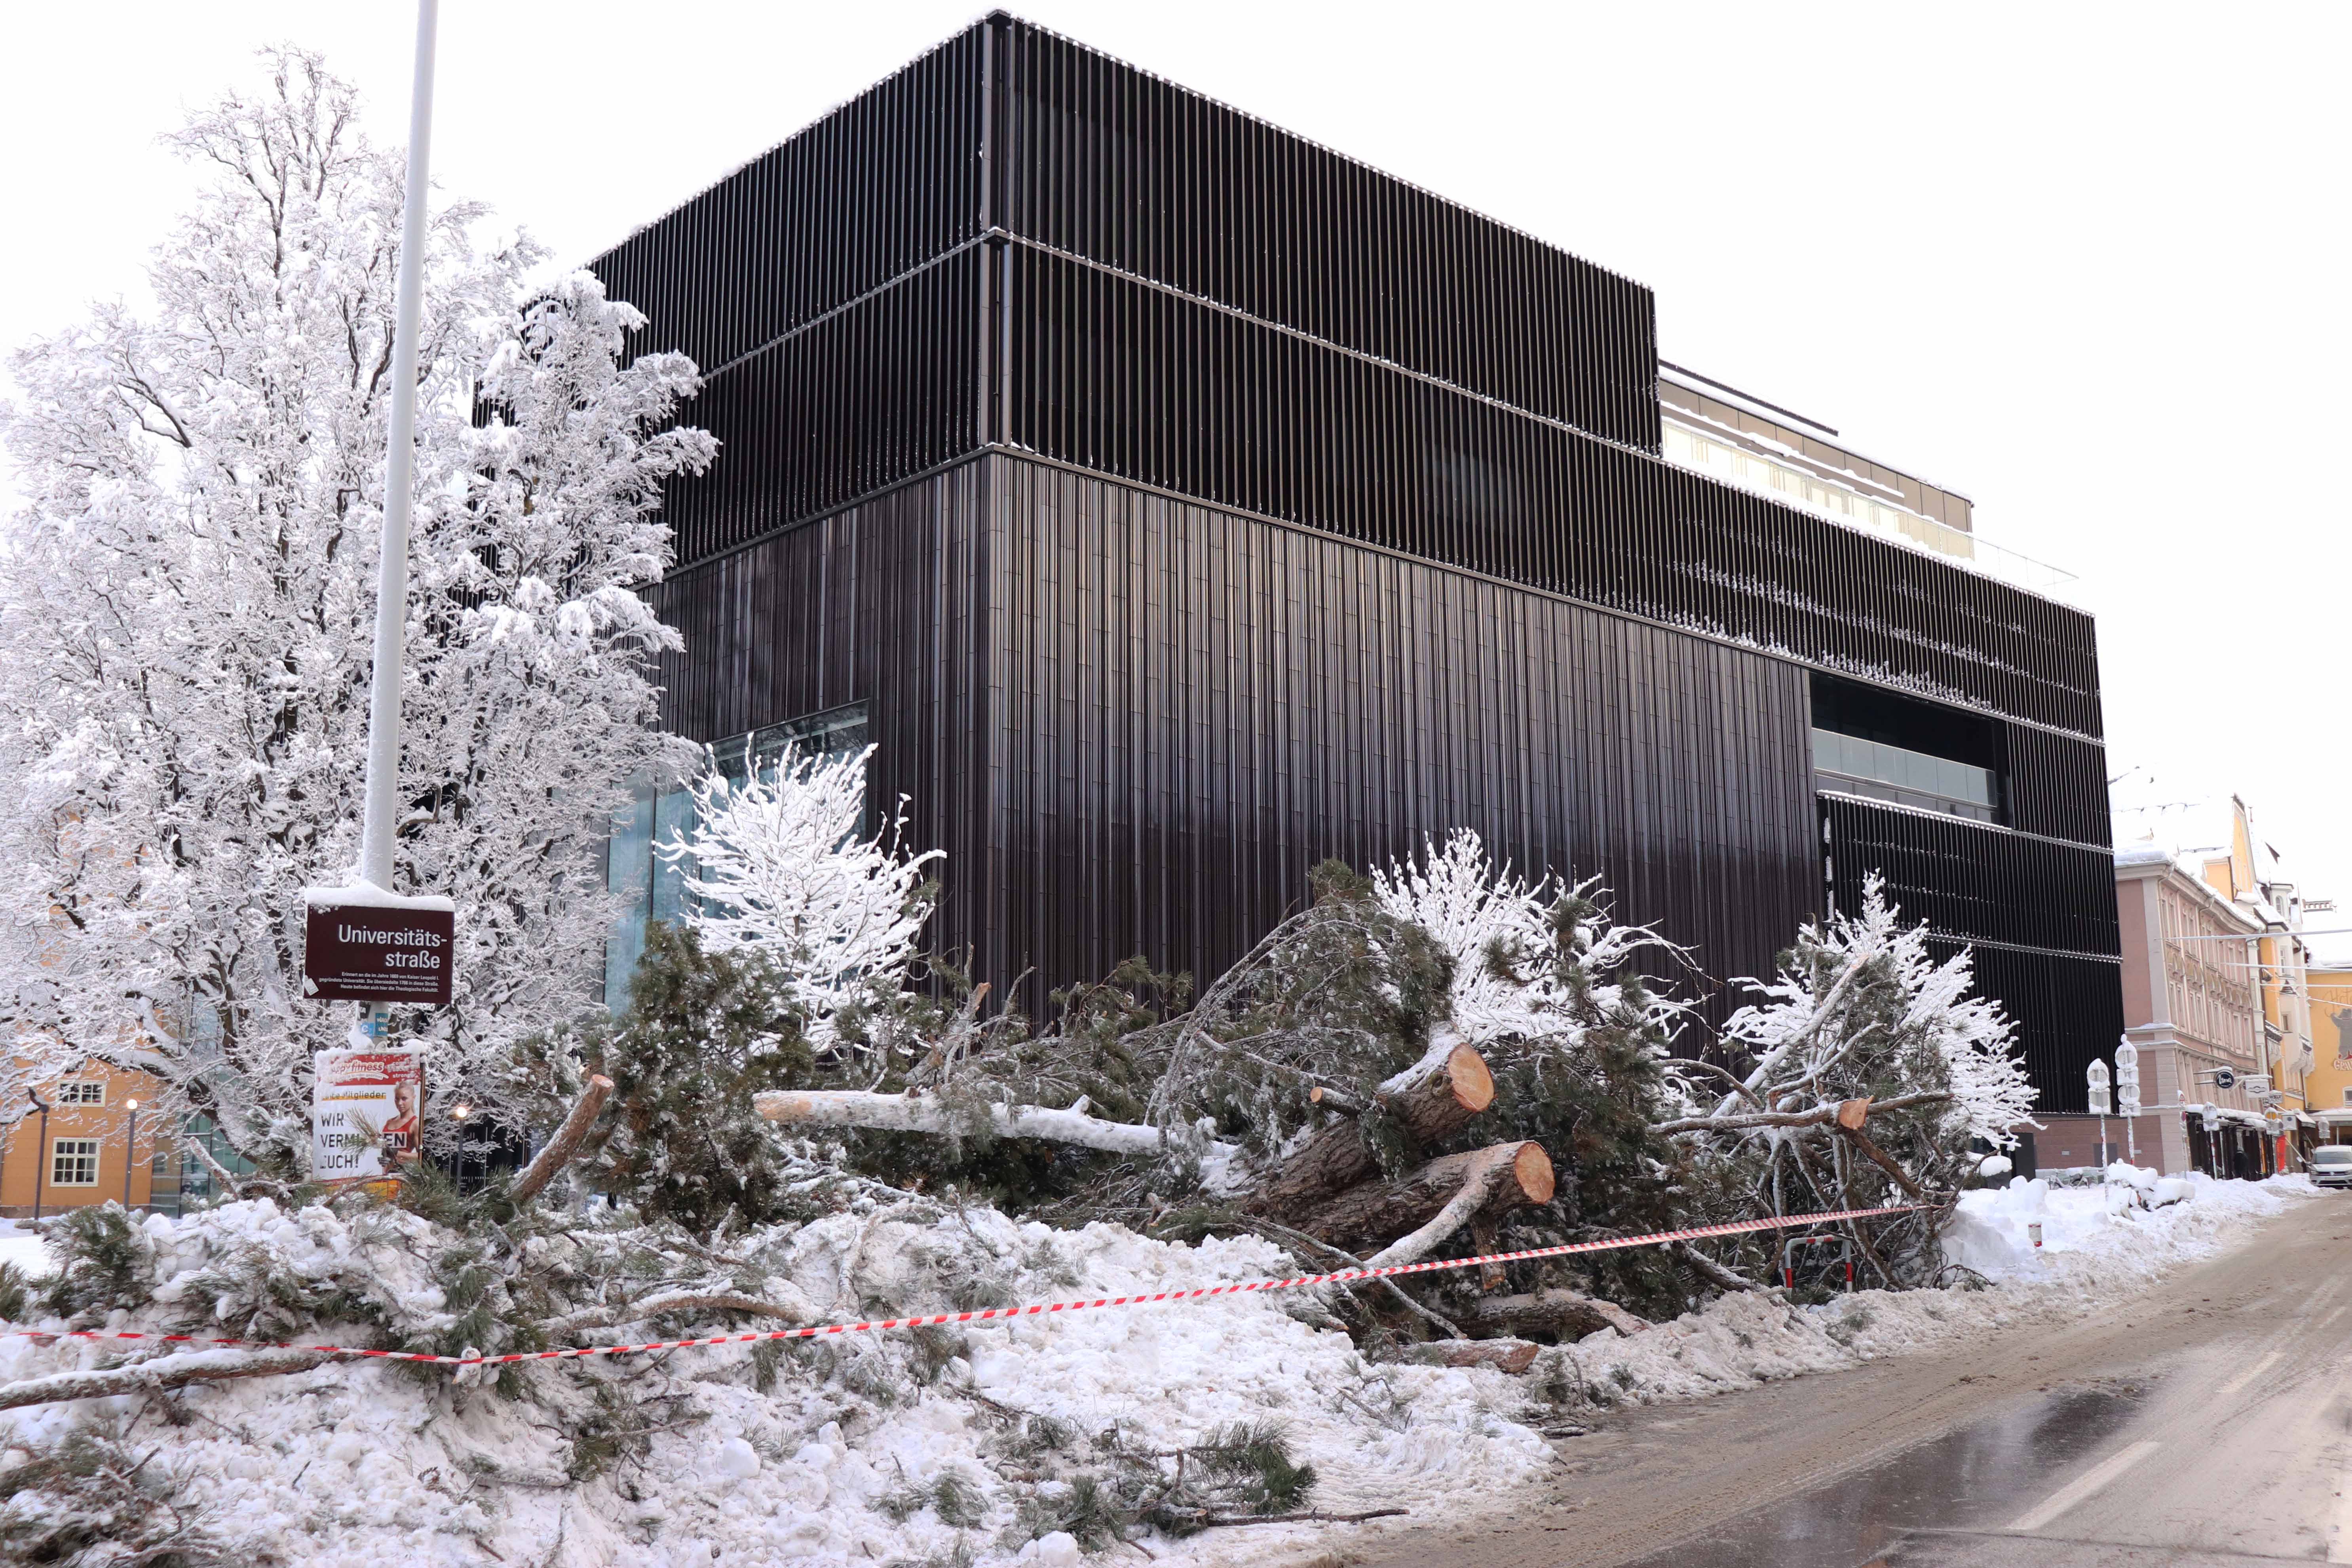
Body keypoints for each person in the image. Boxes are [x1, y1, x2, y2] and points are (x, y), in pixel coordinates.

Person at [380, 1077, 422, 1163]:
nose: (400, 1103)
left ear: (414, 1098)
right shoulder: (390, 1122)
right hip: (386, 1173)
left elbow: (421, 1156)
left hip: (404, 1173)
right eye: (397, 1099)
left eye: (404, 1099)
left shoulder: (415, 1124)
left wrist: (398, 1154)